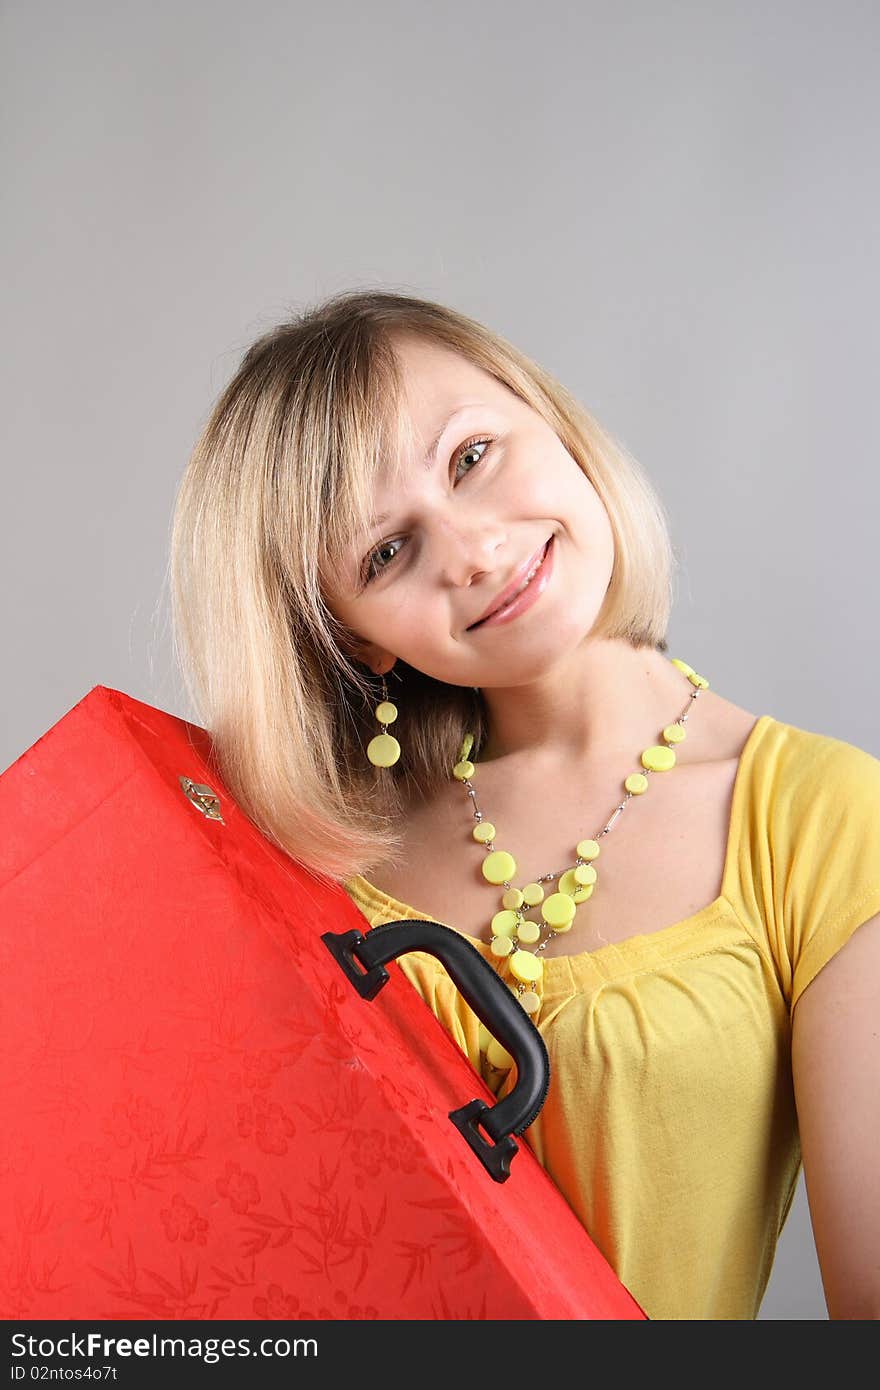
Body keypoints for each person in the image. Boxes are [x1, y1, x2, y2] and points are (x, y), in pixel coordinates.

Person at [168, 288, 880, 1320]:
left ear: (543, 411)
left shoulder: (821, 819)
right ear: (357, 635)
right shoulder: (301, 854)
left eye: (470, 457)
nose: (471, 550)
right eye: (385, 551)